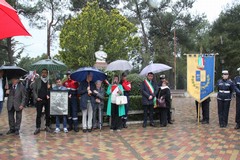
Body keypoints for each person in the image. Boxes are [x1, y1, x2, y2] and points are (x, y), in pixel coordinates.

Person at [32, 68, 52, 135]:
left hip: (47, 99)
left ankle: (47, 126)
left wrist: (49, 88)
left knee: (48, 114)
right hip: (39, 99)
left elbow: (51, 91)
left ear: (47, 73)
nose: (44, 73)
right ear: (41, 73)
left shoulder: (49, 81)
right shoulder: (37, 80)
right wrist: (36, 98)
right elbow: (34, 90)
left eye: (45, 72)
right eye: (43, 72)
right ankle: (38, 127)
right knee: (39, 114)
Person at [0, 70, 7, 136]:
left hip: (1, 100)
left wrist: (6, 89)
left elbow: (3, 89)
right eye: (1, 72)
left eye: (2, 73)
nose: (2, 74)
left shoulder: (3, 80)